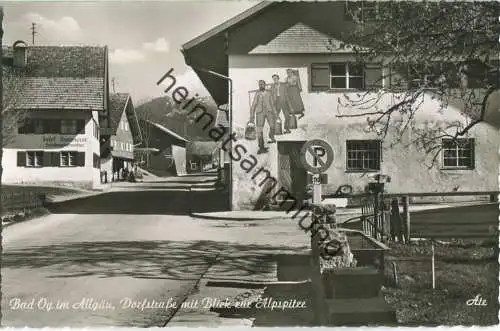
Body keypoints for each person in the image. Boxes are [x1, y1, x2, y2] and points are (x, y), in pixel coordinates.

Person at [249, 80, 277, 154]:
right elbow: (253, 105)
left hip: (269, 111)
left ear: (265, 85)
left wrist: (276, 114)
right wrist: (251, 117)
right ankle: (261, 147)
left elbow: (272, 104)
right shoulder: (257, 94)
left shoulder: (269, 93)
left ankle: (271, 135)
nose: (261, 85)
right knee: (259, 130)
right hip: (260, 113)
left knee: (273, 126)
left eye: (262, 84)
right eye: (259, 84)